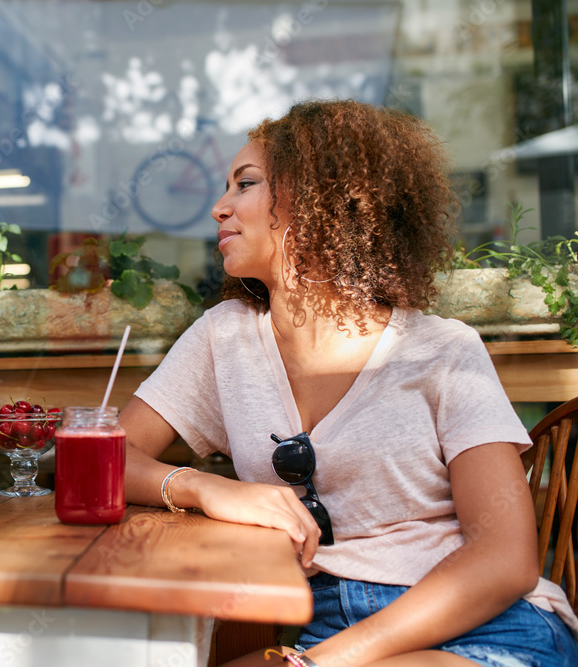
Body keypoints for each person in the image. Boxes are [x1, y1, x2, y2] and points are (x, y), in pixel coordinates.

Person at [119, 99, 578, 667]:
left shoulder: (443, 351)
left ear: (316, 202)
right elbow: (106, 460)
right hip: (307, 625)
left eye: (246, 184)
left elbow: (505, 560)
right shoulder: (225, 340)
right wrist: (208, 488)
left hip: (474, 623)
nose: (220, 207)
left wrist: (325, 662)